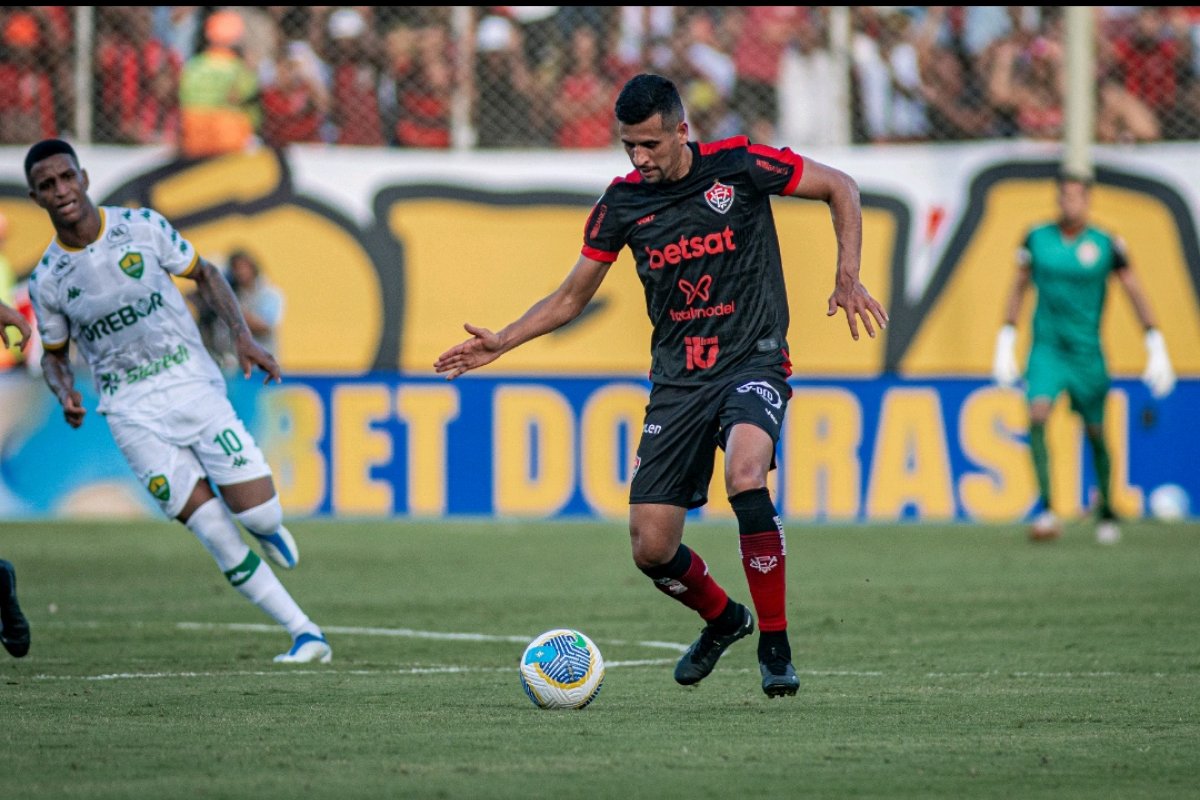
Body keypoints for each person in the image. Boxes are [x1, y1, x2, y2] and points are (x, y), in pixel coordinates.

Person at [435, 73, 888, 697]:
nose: (640, 158)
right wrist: (503, 341)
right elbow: (572, 296)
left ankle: (776, 645)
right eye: (629, 147)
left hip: (752, 361)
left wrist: (848, 275)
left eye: (650, 144)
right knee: (651, 547)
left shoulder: (741, 164)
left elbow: (842, 186)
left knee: (746, 474)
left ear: (682, 130)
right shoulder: (621, 204)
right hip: (678, 383)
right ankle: (725, 619)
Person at [24, 139, 330, 664]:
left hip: (192, 385)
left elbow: (206, 274)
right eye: (48, 186)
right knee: (211, 528)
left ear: (84, 177)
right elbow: (53, 354)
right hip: (130, 411)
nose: (61, 191)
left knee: (257, 514)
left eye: (66, 178)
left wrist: (242, 335)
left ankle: (267, 527)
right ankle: (306, 634)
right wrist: (64, 390)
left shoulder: (141, 228)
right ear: (36, 197)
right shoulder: (48, 279)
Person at [992, 171, 1176, 545]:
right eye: (1063, 196)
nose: (1068, 202)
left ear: (1088, 200)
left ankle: (1107, 508)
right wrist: (1006, 336)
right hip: (1046, 348)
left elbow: (1134, 290)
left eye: (1075, 196)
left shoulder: (1106, 244)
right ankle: (1046, 509)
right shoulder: (1036, 237)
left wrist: (1155, 342)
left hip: (1087, 353)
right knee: (1038, 413)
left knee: (1095, 430)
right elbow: (1019, 286)